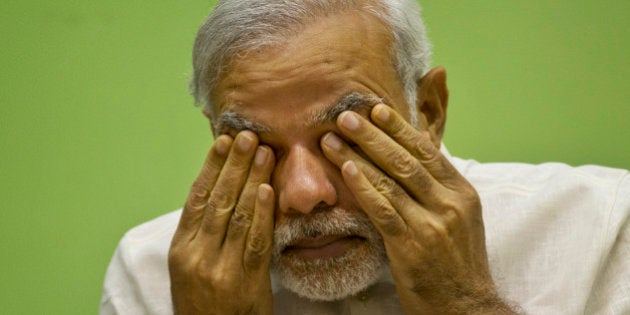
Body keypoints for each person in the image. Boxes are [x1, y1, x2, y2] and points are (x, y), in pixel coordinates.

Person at [100, 0, 630, 314]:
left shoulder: (600, 224)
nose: (305, 194)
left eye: (344, 137)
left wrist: (465, 304)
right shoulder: (151, 275)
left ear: (427, 110)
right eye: (258, 147)